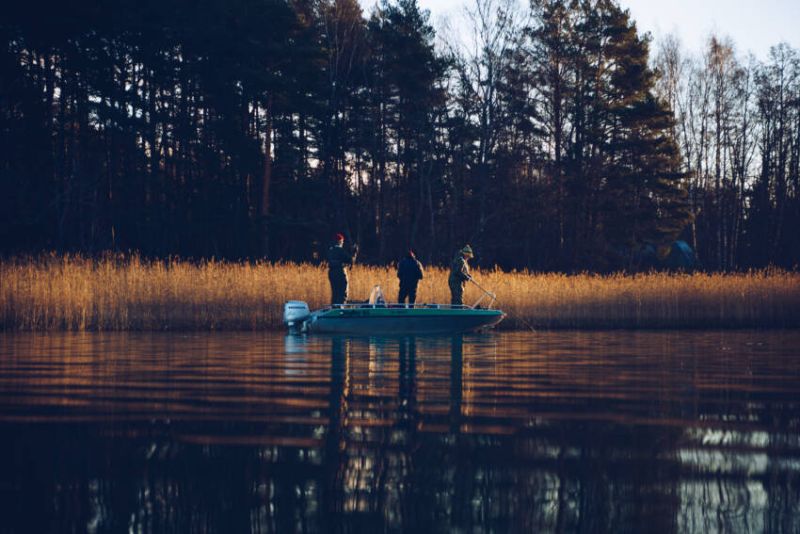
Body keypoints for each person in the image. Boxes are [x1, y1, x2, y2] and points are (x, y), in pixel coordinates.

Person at [327, 233, 357, 305]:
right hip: (340, 272)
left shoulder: (330, 251)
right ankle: (341, 308)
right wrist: (354, 253)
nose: (343, 243)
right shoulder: (341, 251)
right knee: (343, 291)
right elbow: (351, 260)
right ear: (340, 241)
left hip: (331, 273)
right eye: (342, 241)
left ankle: (334, 308)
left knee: (335, 292)